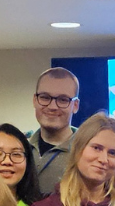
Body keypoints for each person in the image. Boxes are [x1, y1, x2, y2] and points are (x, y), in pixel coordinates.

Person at [28, 67, 81, 197]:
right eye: (45, 97)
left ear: (75, 106)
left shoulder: (87, 152)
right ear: (35, 100)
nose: (52, 106)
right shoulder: (18, 147)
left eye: (63, 100)